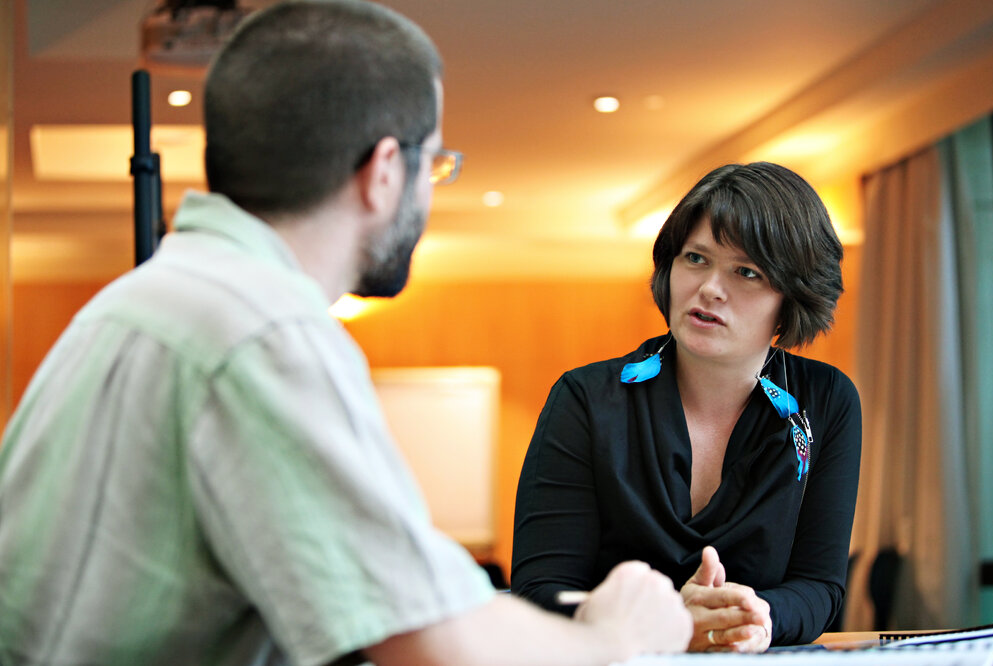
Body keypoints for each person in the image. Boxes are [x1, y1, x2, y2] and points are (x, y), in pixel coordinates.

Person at [0, 2, 693, 664]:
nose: (429, 191)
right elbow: (433, 642)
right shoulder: (265, 331)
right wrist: (613, 635)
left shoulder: (136, 303)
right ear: (384, 170)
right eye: (434, 164)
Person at [511, 162, 862, 651]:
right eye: (696, 258)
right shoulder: (586, 399)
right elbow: (540, 591)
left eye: (746, 272)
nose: (710, 288)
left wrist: (756, 618)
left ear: (793, 296)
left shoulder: (827, 400)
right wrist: (672, 623)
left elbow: (819, 587)